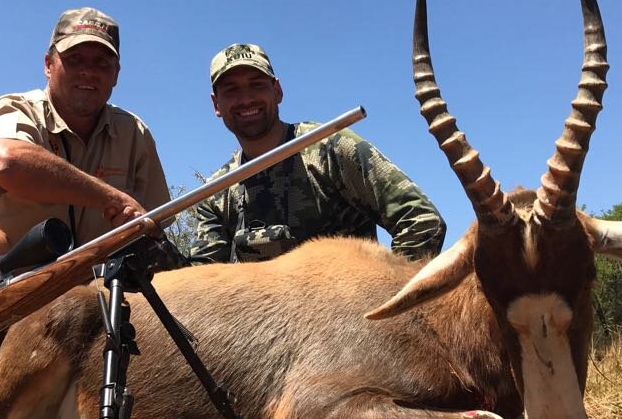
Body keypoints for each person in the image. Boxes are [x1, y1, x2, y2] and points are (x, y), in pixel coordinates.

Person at [0, 7, 172, 419]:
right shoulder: (14, 109)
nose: (88, 73)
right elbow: (5, 162)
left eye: (102, 63)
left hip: (72, 312)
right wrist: (108, 198)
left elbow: (154, 220)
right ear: (49, 64)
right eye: (76, 61)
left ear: (116, 74)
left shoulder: (135, 133)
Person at [190, 43, 445, 264]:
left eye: (257, 85)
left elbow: (422, 221)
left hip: (346, 317)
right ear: (216, 105)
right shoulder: (214, 194)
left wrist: (384, 305)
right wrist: (153, 241)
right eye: (231, 90)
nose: (246, 99)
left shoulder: (332, 147)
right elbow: (198, 285)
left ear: (277, 91)